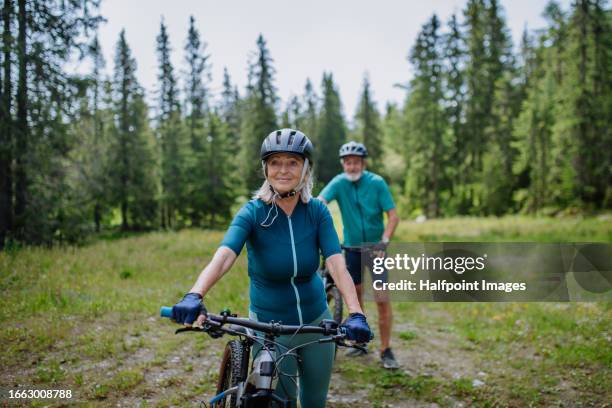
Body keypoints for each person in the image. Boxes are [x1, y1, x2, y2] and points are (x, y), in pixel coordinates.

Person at [171, 129, 371, 408]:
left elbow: (337, 265)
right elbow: (224, 256)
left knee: (314, 401)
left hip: (316, 321)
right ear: (265, 168)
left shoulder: (317, 212)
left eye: (292, 162)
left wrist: (356, 312)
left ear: (305, 168)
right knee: (282, 401)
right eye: (275, 162)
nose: (283, 170)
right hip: (269, 326)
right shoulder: (253, 212)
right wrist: (195, 294)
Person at [318, 141, 401, 369]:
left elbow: (393, 217)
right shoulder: (339, 182)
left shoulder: (376, 183)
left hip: (376, 250)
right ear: (343, 164)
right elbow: (320, 202)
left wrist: (384, 242)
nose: (352, 166)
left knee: (382, 300)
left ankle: (386, 350)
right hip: (351, 249)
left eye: (356, 162)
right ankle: (359, 342)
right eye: (348, 162)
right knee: (355, 298)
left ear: (363, 163)